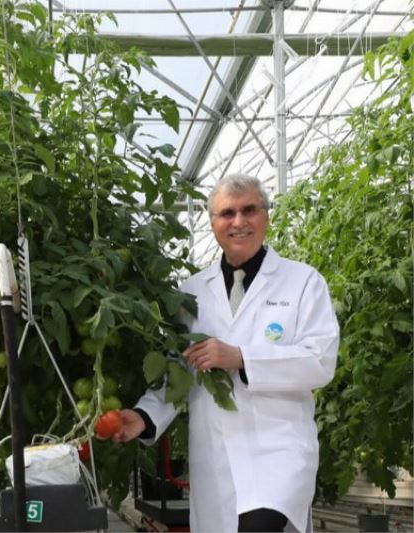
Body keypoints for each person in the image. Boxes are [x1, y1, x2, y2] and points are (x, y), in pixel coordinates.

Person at [108, 174, 339, 532]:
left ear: (266, 216)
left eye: (249, 210)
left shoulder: (303, 282)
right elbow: (178, 370)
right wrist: (144, 416)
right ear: (213, 222)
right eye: (227, 213)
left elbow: (320, 361)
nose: (239, 222)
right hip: (216, 457)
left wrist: (242, 357)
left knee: (261, 525)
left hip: (279, 451)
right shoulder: (192, 292)